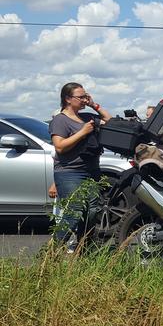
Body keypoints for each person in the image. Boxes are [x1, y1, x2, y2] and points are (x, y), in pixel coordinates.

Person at [49, 82, 112, 253]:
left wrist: (94, 105)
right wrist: (82, 132)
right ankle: (52, 251)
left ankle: (83, 250)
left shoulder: (87, 117)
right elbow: (60, 146)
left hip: (91, 171)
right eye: (81, 97)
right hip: (70, 172)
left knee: (92, 211)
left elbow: (110, 121)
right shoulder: (60, 120)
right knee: (74, 212)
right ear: (68, 99)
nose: (84, 99)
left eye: (86, 96)